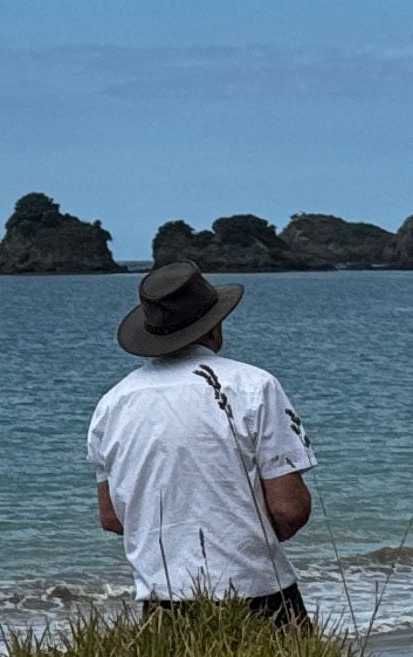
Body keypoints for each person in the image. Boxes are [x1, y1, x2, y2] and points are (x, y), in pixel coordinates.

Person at [87, 257, 317, 623]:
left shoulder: (112, 403)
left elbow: (112, 517)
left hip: (161, 603)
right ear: (214, 327)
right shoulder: (253, 386)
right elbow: (289, 509)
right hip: (257, 594)